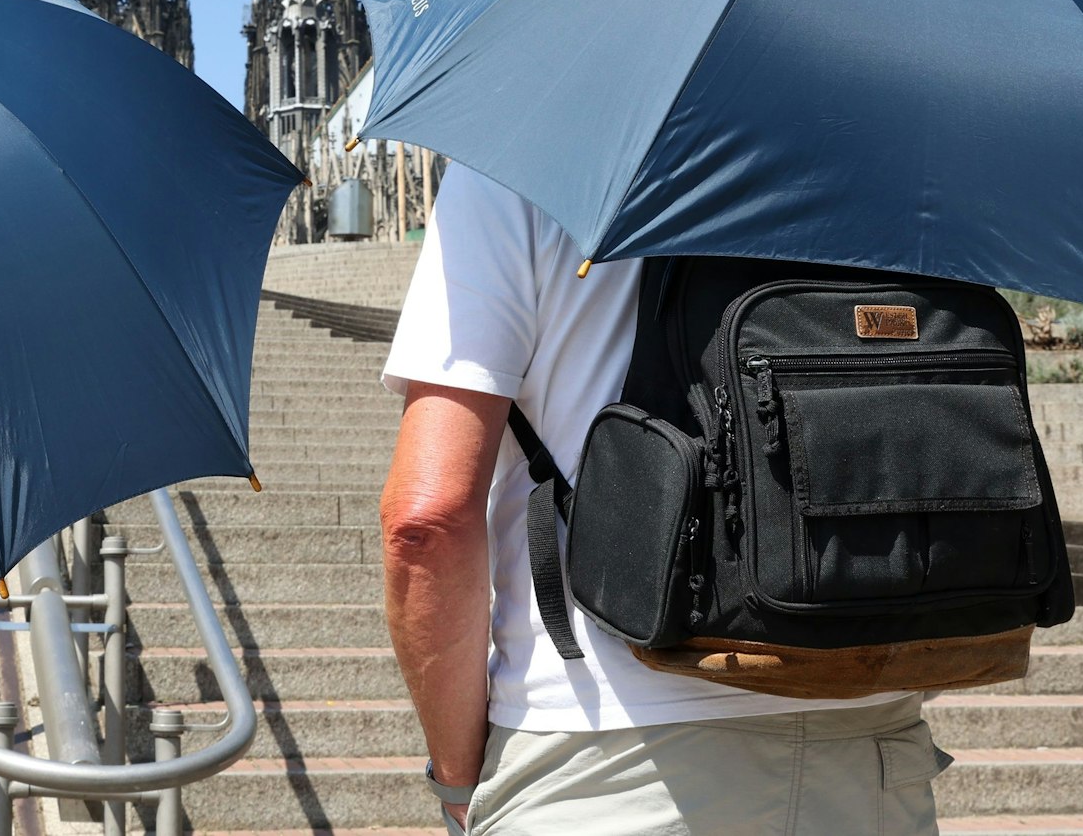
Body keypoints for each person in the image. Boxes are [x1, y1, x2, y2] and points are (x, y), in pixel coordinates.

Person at [378, 166, 949, 836]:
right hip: (870, 740)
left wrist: (456, 768)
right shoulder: (889, 160)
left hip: (601, 756)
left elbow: (427, 519)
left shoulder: (518, 167)